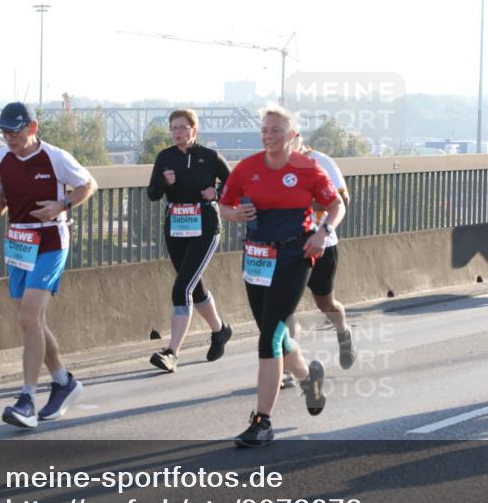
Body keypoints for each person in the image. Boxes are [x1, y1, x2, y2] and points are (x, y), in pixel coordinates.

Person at [219, 104, 345, 447]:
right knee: (272, 331)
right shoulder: (247, 168)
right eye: (265, 130)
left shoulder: (307, 168)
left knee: (269, 337)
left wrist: (322, 233)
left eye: (276, 130)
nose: (268, 136)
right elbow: (224, 204)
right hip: (257, 258)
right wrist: (235, 213)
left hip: (295, 256)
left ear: (292, 136)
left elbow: (336, 205)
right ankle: (309, 378)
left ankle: (262, 422)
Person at [0, 102, 98, 429]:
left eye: (14, 131)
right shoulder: (1, 159)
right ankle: (63, 381)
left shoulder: (56, 157)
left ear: (32, 128)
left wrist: (63, 203)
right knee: (32, 322)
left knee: (29, 316)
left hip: (50, 241)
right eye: (4, 132)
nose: (8, 138)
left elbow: (89, 184)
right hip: (18, 243)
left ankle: (27, 399)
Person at [146, 109, 233, 372]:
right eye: (173, 128)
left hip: (205, 228)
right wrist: (163, 181)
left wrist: (215, 192)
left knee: (181, 288)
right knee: (194, 288)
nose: (177, 133)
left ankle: (171, 352)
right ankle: (220, 331)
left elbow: (234, 182)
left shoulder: (209, 156)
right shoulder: (165, 158)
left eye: (182, 128)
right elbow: (152, 194)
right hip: (176, 229)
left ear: (194, 130)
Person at [284, 134, 356, 381]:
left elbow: (343, 200)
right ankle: (287, 368)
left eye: (283, 135)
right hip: (287, 247)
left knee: (326, 304)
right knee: (285, 307)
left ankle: (343, 331)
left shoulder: (320, 161)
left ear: (296, 137)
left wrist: (304, 205)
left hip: (321, 244)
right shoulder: (272, 164)